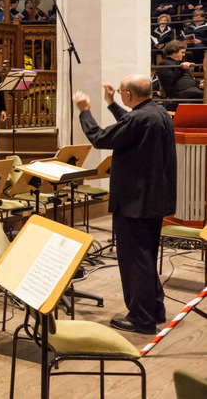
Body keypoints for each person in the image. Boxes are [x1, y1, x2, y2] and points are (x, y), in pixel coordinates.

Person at [73, 76, 176, 333]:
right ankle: (154, 309)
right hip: (154, 199)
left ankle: (142, 318)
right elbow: (131, 124)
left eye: (121, 92)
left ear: (129, 95)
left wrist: (84, 111)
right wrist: (111, 103)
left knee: (134, 260)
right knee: (146, 256)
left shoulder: (137, 118)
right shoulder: (159, 112)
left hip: (134, 202)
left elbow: (99, 138)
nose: (120, 95)